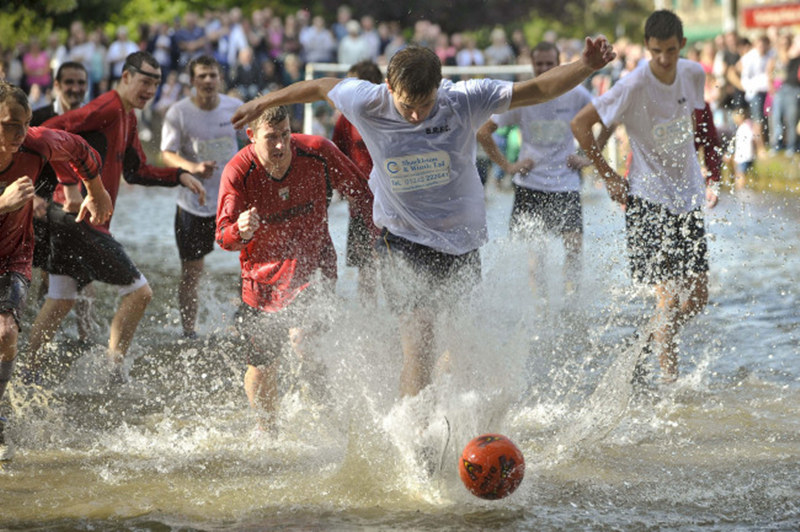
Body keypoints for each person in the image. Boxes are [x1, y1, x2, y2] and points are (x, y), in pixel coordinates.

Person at [231, 39, 616, 398]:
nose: (415, 116)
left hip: (461, 240)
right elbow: (318, 86)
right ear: (388, 87)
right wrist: (264, 101)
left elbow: (539, 89)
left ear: (440, 86)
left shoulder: (464, 99)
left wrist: (585, 65)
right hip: (401, 239)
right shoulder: (367, 101)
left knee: (456, 343)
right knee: (420, 342)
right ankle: (413, 434)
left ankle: (444, 412)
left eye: (425, 104)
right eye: (406, 106)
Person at [25, 51, 206, 383]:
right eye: (144, 81)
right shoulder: (107, 107)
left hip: (75, 219)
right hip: (74, 216)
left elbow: (136, 171)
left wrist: (179, 175)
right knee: (140, 292)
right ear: (125, 77)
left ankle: (25, 372)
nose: (150, 89)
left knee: (61, 298)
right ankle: (114, 373)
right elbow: (46, 132)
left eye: (156, 83)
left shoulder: (129, 117)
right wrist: (68, 184)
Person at [571, 10, 720, 383]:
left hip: (686, 197)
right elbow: (580, 124)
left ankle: (648, 340)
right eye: (656, 52)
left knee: (698, 296)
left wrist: (711, 174)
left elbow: (701, 125)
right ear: (646, 48)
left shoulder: (694, 73)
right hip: (647, 198)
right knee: (667, 298)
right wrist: (607, 176)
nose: (665, 60)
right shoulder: (632, 84)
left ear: (682, 45)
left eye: (671, 50)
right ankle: (671, 385)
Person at [216, 105, 375, 426]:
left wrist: (380, 236)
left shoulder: (318, 151)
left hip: (314, 267)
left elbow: (364, 193)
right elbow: (223, 236)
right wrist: (240, 230)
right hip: (261, 280)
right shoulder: (237, 171)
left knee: (305, 343)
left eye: (285, 135)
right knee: (263, 366)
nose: (279, 145)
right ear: (251, 137)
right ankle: (267, 430)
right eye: (270, 138)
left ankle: (331, 421)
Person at [0, 80, 112, 459]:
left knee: (4, 332)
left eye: (23, 124)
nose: (16, 134)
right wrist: (2, 202)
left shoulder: (37, 142)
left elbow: (80, 149)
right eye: (7, 125)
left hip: (12, 255)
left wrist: (95, 190)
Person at [477, 41, 595, 301]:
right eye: (539, 63)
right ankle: (540, 309)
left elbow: (602, 117)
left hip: (565, 182)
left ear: (558, 63)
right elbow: (484, 132)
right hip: (530, 184)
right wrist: (508, 167)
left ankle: (572, 303)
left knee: (574, 246)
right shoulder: (523, 96)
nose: (544, 68)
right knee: (535, 255)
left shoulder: (575, 93)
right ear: (531, 64)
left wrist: (588, 158)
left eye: (549, 63)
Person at [161, 55, 244, 339]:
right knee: (192, 272)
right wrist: (193, 167)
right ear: (193, 81)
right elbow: (167, 154)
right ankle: (189, 332)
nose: (208, 81)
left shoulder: (234, 108)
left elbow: (256, 137)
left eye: (212, 75)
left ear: (219, 79)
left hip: (232, 202)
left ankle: (243, 319)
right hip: (193, 204)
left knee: (251, 263)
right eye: (202, 76)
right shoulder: (179, 112)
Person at [29, 61, 97, 341]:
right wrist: (31, 197)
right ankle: (44, 337)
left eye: (81, 83)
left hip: (81, 207)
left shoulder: (93, 120)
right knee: (48, 276)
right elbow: (18, 162)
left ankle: (86, 338)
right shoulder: (38, 117)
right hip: (41, 208)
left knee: (87, 274)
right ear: (56, 85)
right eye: (69, 82)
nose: (76, 88)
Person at [331, 60, 383, 304]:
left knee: (394, 261)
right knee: (365, 268)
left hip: (390, 197)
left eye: (351, 83)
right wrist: (344, 189)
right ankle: (369, 315)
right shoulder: (346, 119)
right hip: (360, 201)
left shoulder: (389, 113)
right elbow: (336, 157)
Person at [730, 104, 757, 190]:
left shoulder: (746, 126)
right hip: (742, 156)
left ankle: (741, 189)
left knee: (740, 174)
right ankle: (741, 189)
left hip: (745, 156)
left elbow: (752, 139)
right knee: (740, 173)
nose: (734, 119)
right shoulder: (743, 126)